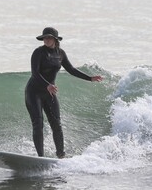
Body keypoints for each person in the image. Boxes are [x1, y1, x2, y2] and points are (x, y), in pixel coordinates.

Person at [25, 27, 103, 158]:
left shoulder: (60, 53)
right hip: (34, 92)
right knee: (38, 123)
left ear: (55, 39)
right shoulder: (38, 52)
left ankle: (61, 155)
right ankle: (40, 158)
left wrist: (89, 78)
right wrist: (47, 85)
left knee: (56, 123)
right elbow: (35, 73)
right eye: (44, 37)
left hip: (50, 93)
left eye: (49, 37)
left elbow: (71, 69)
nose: (46, 40)